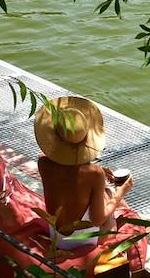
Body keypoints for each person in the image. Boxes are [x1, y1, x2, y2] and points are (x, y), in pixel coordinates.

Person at [35, 96, 134, 250]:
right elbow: (98, 220)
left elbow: (69, 177)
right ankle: (132, 215)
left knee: (106, 192)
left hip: (56, 236)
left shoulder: (43, 163)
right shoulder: (94, 173)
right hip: (83, 241)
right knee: (110, 202)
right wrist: (121, 192)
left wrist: (99, 171)